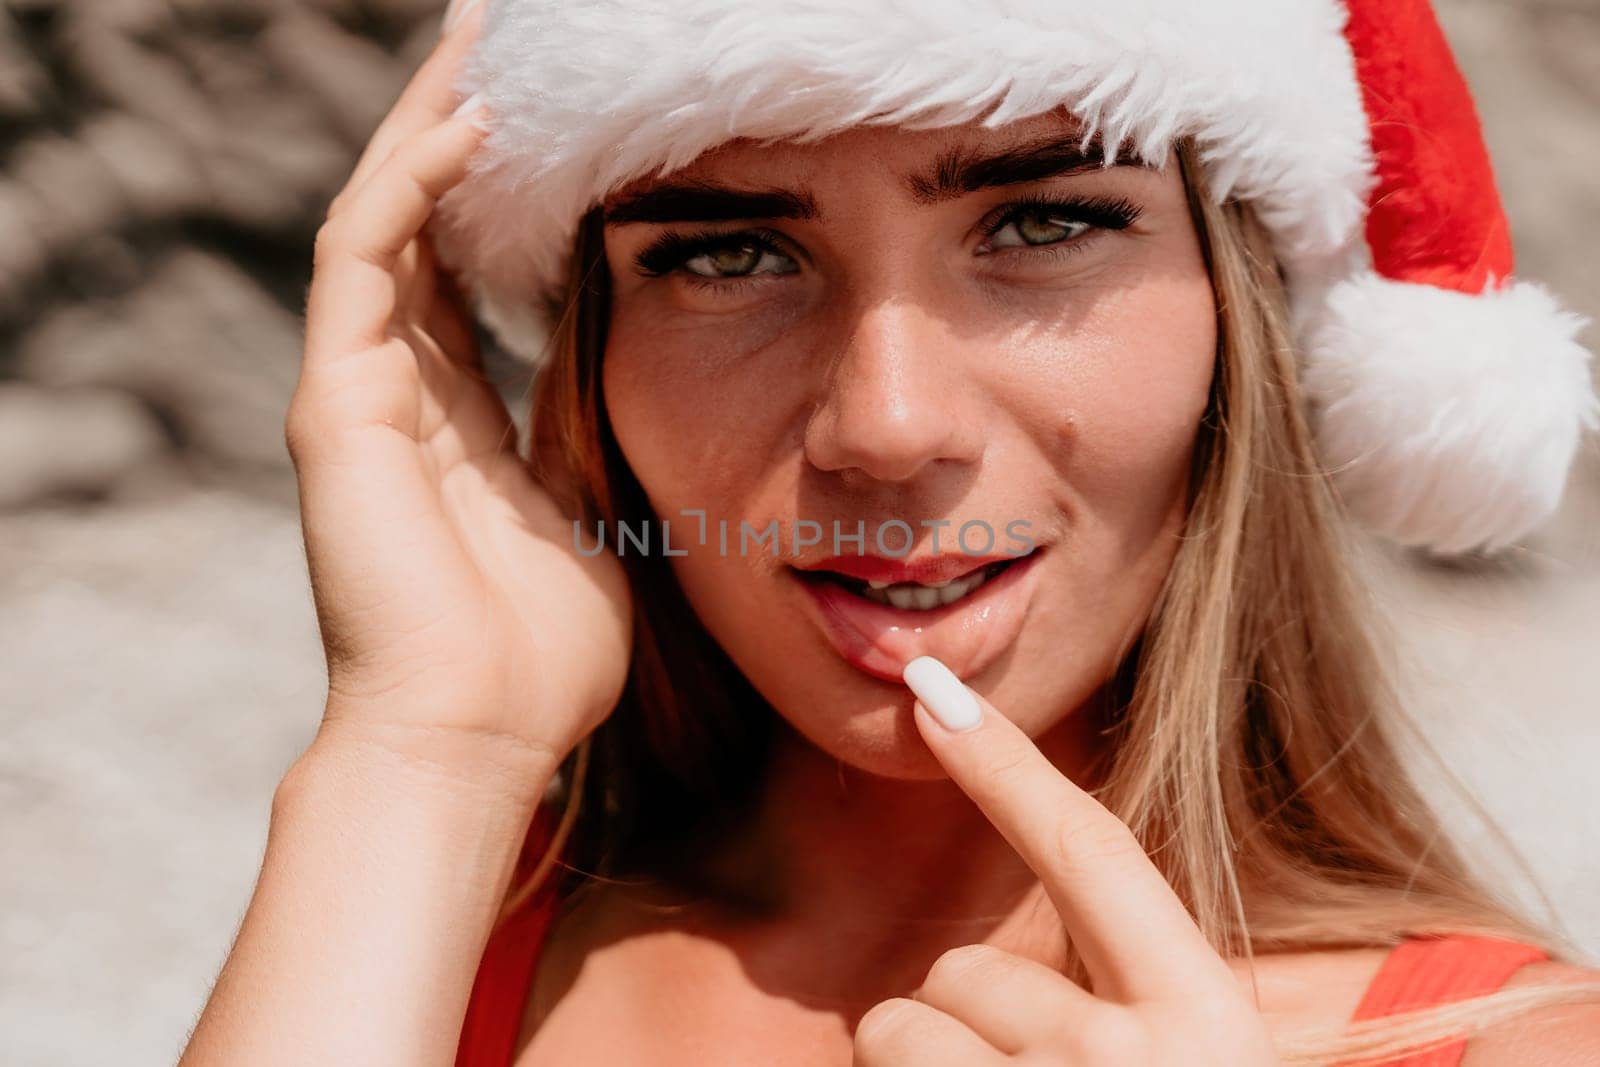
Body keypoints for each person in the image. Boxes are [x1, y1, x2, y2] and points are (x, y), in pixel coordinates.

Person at [180, 1, 1600, 1064]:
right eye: (727, 253)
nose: (889, 422)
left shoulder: (1517, 1043)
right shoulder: (407, 951)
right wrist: (423, 751)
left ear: (1245, 319)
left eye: (1042, 224)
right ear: (591, 365)